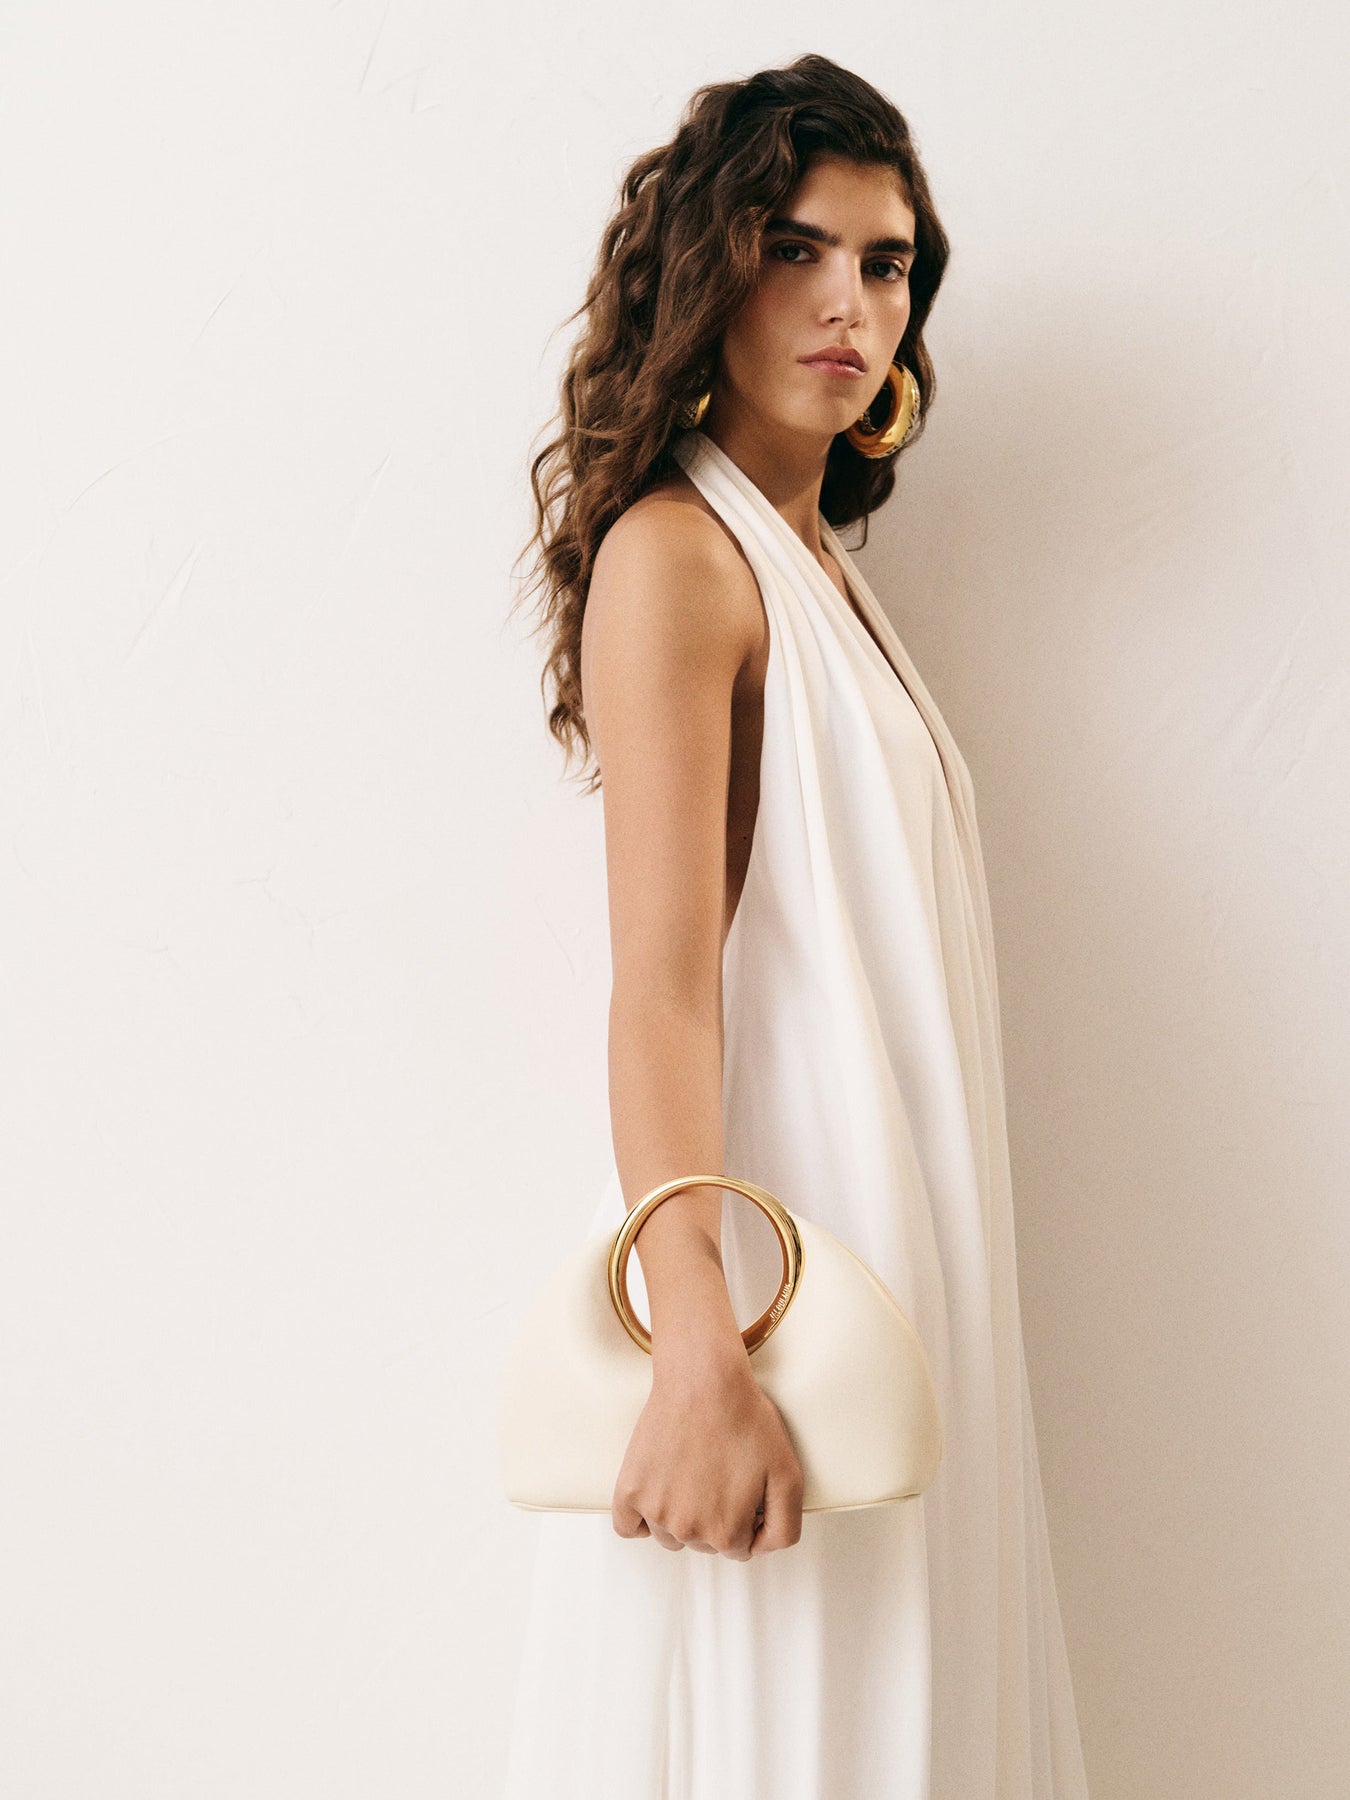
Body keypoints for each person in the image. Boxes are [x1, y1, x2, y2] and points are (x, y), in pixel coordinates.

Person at [504, 52, 1090, 1799]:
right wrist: (694, 1345)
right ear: (708, 273)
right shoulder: (678, 556)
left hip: (898, 1264)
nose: (851, 304)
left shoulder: (818, 566)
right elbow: (660, 993)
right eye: (795, 249)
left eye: (885, 262)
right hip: (770, 1291)